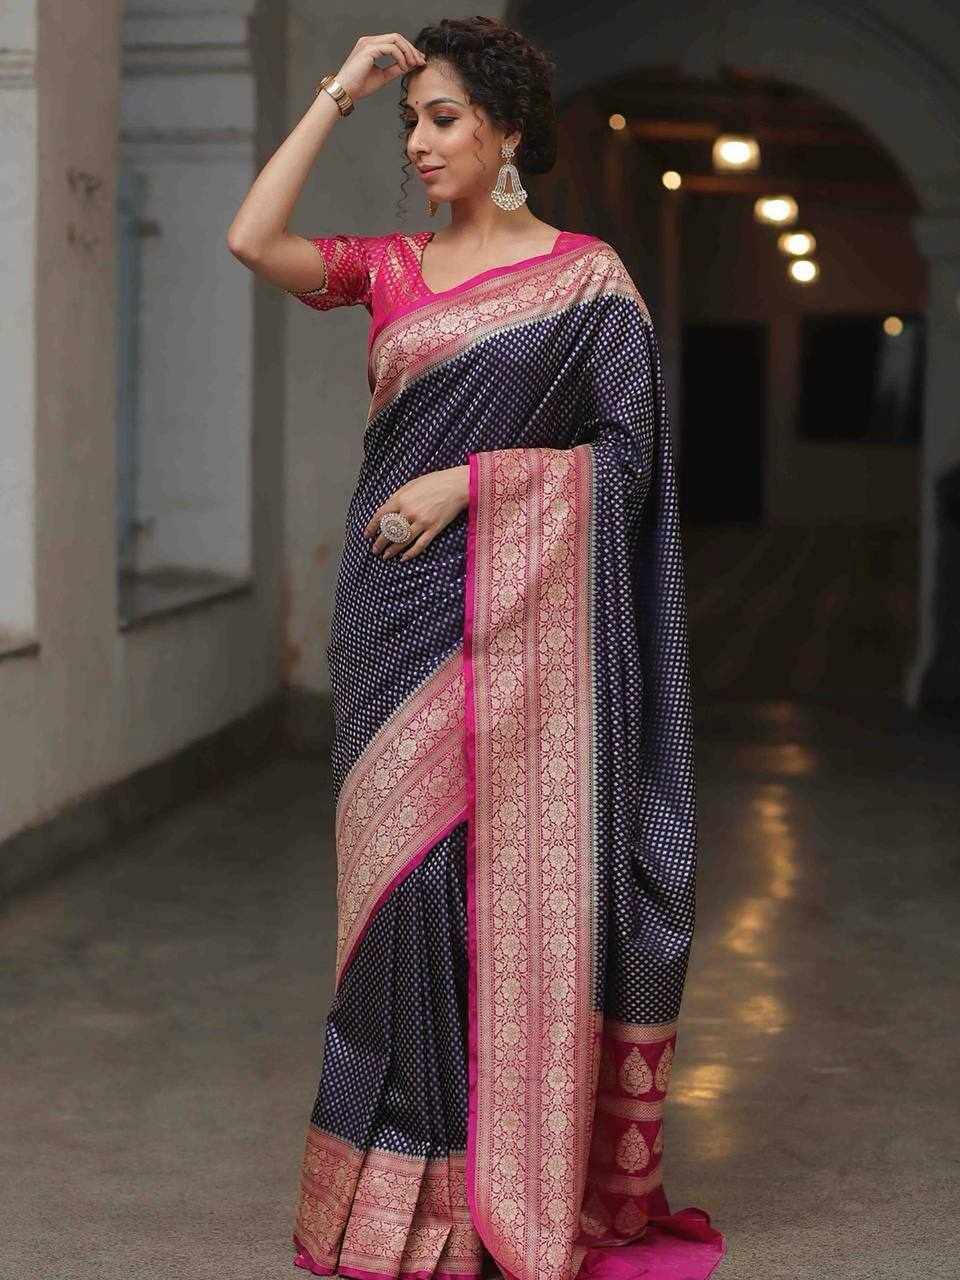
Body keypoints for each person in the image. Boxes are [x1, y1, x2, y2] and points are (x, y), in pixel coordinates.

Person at [227, 16, 725, 1280]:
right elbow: (253, 239)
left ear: (507, 135)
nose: (420, 143)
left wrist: (472, 484)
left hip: (525, 624)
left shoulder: (589, 282)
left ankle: (493, 1190)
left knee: (486, 905)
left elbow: (629, 464)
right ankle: (403, 1198)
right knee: (398, 903)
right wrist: (341, 90)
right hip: (392, 619)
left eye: (443, 119)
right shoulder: (388, 267)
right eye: (412, 122)